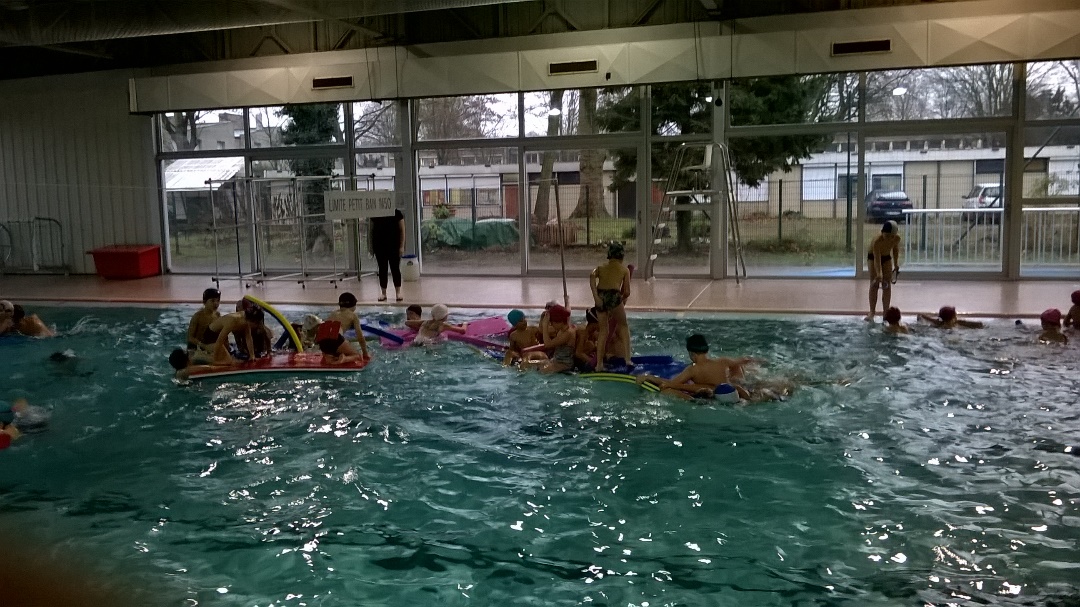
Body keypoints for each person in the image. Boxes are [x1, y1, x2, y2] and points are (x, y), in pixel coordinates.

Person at [636, 334, 758, 402]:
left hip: (712, 398)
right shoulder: (722, 361)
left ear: (692, 354)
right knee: (738, 373)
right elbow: (740, 362)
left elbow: (671, 383)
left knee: (666, 390)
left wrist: (648, 377)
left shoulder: (693, 369)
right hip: (731, 394)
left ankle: (692, 401)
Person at [590, 242, 632, 371]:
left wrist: (596, 297)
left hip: (600, 295)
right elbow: (627, 292)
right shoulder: (624, 270)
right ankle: (627, 359)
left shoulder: (600, 268)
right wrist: (621, 300)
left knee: (603, 331)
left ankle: (599, 365)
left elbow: (592, 275)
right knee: (624, 325)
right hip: (613, 296)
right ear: (622, 256)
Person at [521, 304, 576, 374]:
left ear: (559, 321)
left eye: (551, 323)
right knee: (525, 365)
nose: (551, 325)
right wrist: (543, 319)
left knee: (541, 372)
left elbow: (547, 345)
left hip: (564, 364)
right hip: (555, 361)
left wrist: (545, 325)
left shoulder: (568, 333)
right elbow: (541, 331)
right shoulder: (563, 329)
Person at [866, 220, 901, 322]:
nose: (890, 238)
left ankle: (886, 312)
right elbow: (877, 259)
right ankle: (872, 312)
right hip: (873, 257)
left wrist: (896, 263)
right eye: (887, 236)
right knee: (874, 284)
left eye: (892, 236)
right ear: (882, 233)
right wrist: (879, 274)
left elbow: (895, 250)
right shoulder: (877, 241)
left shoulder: (896, 238)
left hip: (886, 257)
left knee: (887, 285)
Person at [369, 207, 406, 302]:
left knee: (395, 268)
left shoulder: (397, 213)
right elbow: (371, 231)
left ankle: (398, 292)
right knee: (382, 269)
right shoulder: (376, 213)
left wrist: (401, 246)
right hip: (380, 246)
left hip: (394, 245)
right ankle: (383, 293)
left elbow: (402, 230)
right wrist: (371, 247)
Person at [325, 292, 370, 358]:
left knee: (333, 355)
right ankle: (344, 358)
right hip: (336, 338)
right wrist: (365, 353)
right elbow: (360, 336)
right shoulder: (353, 315)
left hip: (322, 339)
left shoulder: (333, 313)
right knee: (358, 356)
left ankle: (329, 357)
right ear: (353, 305)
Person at [186, 288, 221, 361]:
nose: (216, 303)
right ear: (204, 302)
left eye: (218, 300)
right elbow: (190, 337)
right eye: (212, 301)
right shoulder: (198, 316)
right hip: (196, 346)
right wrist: (204, 346)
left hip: (209, 346)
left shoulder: (218, 315)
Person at [573, 307, 601, 371]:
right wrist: (593, 362)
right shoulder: (583, 333)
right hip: (576, 362)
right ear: (595, 323)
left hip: (583, 359)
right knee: (590, 345)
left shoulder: (593, 334)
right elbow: (578, 353)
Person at [919, 306, 984, 329]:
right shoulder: (958, 324)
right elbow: (980, 325)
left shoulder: (938, 324)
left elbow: (920, 315)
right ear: (953, 317)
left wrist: (934, 319)